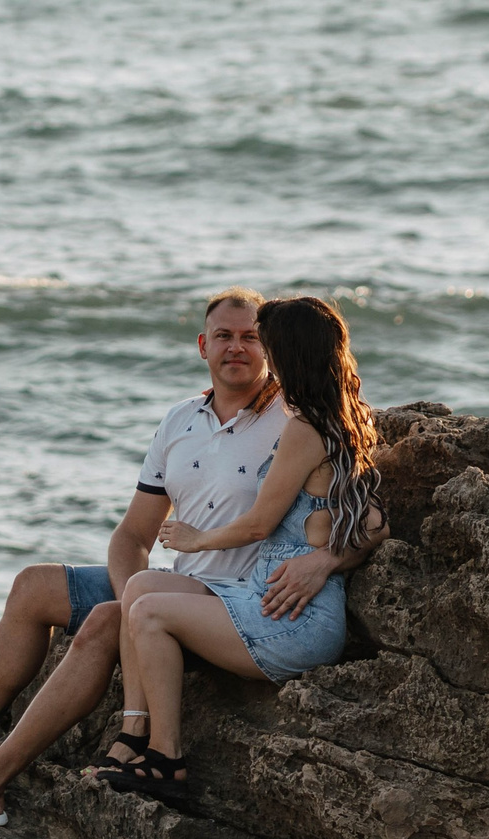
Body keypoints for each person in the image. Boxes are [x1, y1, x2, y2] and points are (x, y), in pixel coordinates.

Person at [0, 288, 366, 825]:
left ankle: (4, 779)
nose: (239, 348)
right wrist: (130, 590)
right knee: (35, 586)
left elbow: (362, 509)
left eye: (253, 337)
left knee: (114, 619)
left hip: (233, 590)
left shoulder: (294, 416)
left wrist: (325, 561)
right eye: (225, 337)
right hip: (174, 580)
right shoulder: (181, 419)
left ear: (273, 349)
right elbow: (132, 533)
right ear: (202, 346)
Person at [98, 295, 387, 807]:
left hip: (292, 618)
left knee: (149, 612)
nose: (263, 358)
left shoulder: (302, 429)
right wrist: (325, 558)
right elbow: (375, 521)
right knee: (141, 585)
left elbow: (257, 526)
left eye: (267, 345)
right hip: (266, 593)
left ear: (288, 353)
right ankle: (134, 732)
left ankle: (166, 759)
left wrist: (196, 539)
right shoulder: (336, 416)